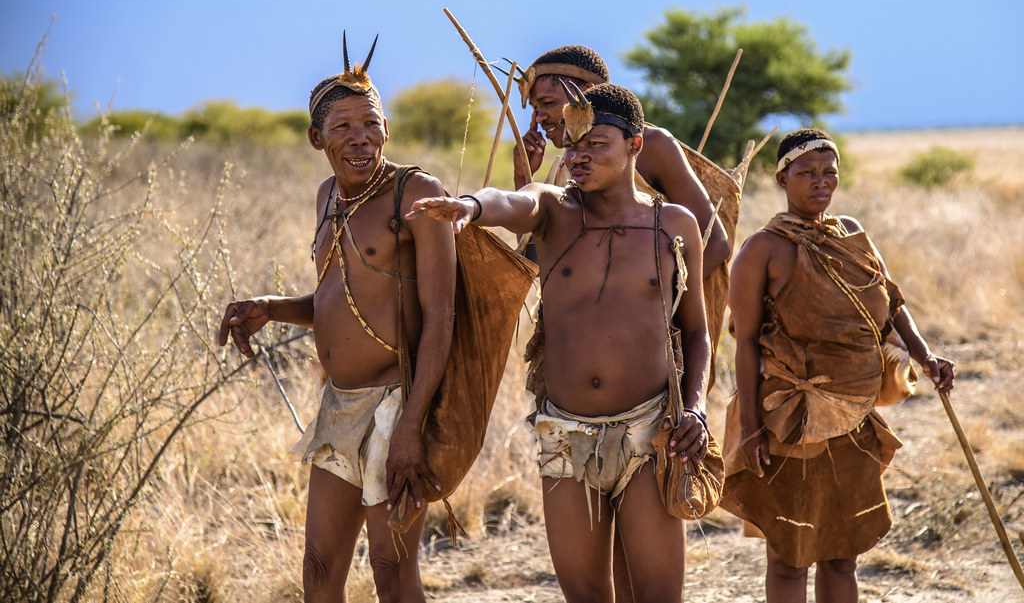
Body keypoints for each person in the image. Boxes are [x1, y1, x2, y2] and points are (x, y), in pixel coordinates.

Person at [408, 82, 712, 603]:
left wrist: (697, 409)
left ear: (635, 145)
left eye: (596, 143)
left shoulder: (673, 225)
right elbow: (511, 201)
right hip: (566, 435)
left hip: (650, 432)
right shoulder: (554, 211)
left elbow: (698, 331)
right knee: (585, 594)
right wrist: (470, 206)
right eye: (572, 145)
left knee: (659, 594)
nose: (578, 156)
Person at [218, 37, 457, 603]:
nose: (360, 138)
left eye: (371, 124)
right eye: (343, 127)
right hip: (339, 405)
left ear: (386, 130)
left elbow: (442, 316)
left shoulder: (415, 194)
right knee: (319, 569)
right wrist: (273, 309)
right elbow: (342, 301)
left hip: (397, 403)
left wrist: (411, 426)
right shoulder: (328, 196)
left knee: (391, 573)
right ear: (316, 138)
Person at [721, 128, 956, 603]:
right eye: (807, 172)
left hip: (854, 416)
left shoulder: (850, 233)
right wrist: (749, 428)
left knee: (842, 554)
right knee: (789, 557)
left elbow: (892, 303)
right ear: (782, 178)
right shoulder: (762, 249)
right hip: (789, 423)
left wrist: (926, 356)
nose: (820, 181)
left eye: (829, 172)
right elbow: (745, 343)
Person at [510, 45, 731, 279]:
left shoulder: (649, 145)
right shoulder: (570, 168)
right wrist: (523, 176)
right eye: (535, 108)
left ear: (587, 93)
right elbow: (538, 263)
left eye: (547, 102)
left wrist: (664, 297)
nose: (539, 117)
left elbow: (715, 243)